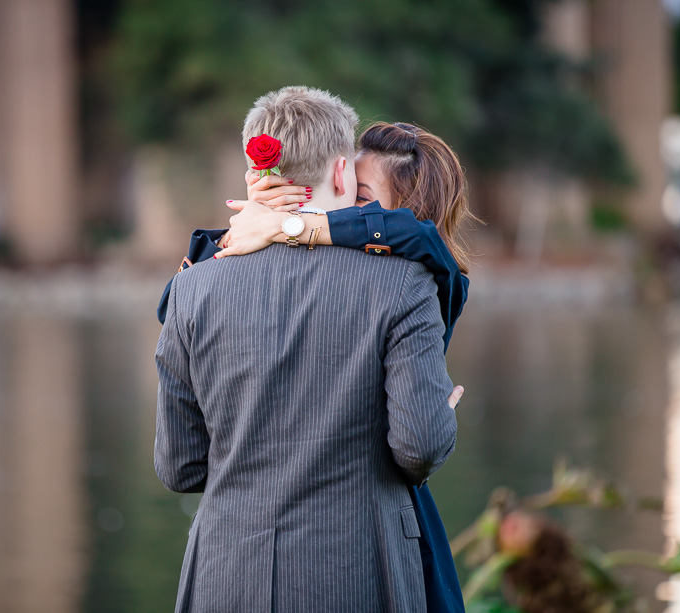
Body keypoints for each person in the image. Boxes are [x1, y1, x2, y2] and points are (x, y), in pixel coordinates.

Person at [155, 85, 459, 611]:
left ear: (258, 177)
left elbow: (180, 466)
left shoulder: (192, 287)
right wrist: (440, 419)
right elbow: (419, 447)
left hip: (226, 575)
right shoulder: (404, 283)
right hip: (363, 572)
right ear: (342, 174)